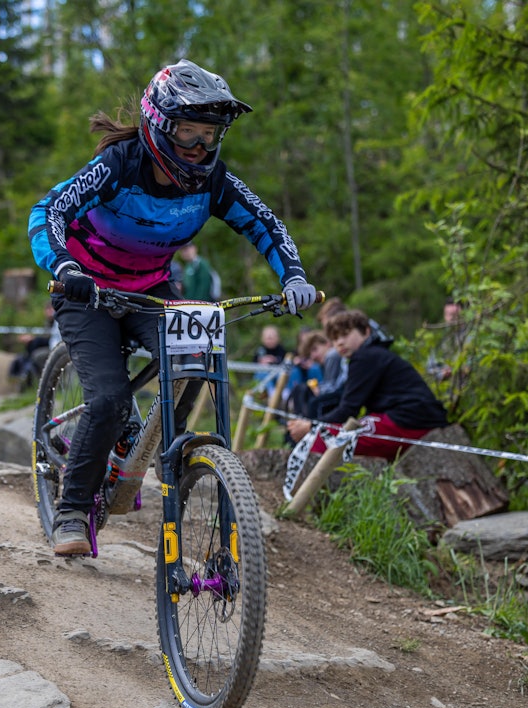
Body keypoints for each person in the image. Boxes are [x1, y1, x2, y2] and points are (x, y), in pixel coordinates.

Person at [27, 58, 317, 555]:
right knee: (108, 399)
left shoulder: (212, 180)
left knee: (197, 353)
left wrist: (293, 275)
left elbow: (265, 222)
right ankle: (72, 507)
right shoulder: (120, 164)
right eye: (188, 132)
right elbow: (48, 210)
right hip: (87, 291)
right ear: (159, 125)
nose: (200, 146)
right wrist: (64, 267)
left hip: (150, 289)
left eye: (210, 134)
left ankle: (157, 445)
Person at [286, 309, 449, 461]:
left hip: (408, 421)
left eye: (345, 335)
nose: (340, 342)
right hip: (412, 419)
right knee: (334, 434)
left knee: (322, 439)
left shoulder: (365, 357)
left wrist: (311, 426)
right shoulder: (372, 354)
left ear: (366, 332)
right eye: (335, 339)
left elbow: (348, 409)